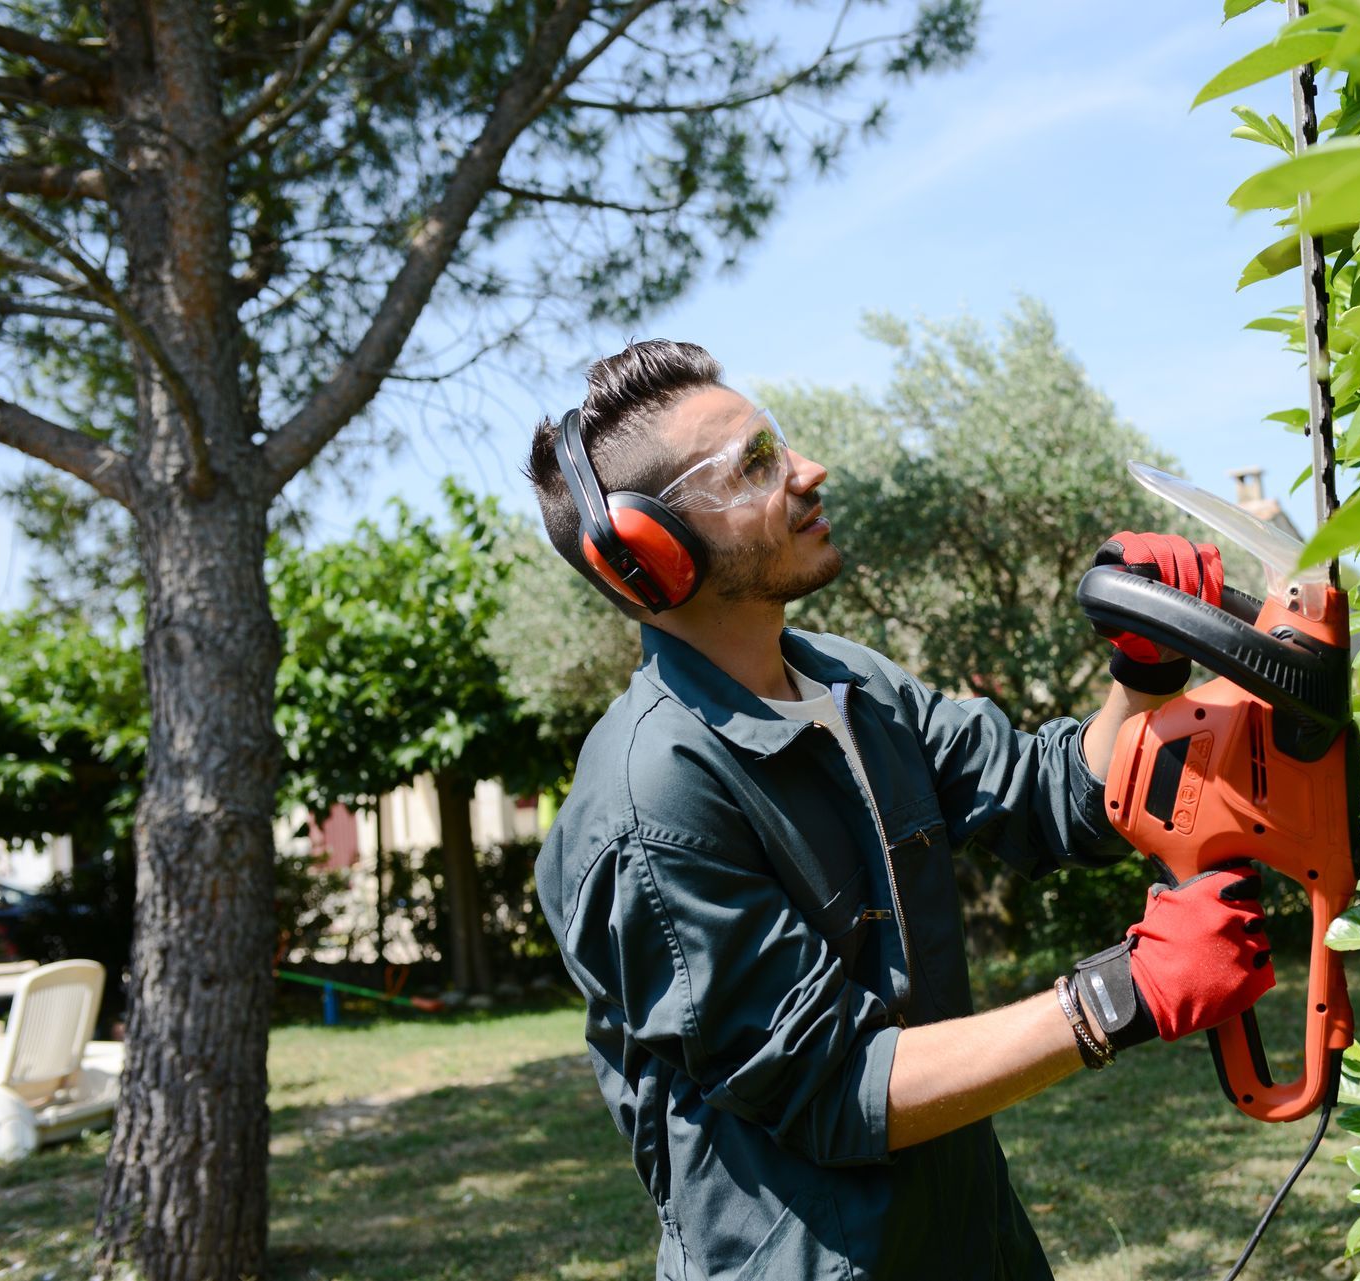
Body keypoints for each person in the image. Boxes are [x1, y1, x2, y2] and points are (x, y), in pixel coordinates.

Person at [526, 339, 1275, 1280]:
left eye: (781, 442)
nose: (807, 470)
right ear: (651, 552)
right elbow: (838, 1085)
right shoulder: (651, 798)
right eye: (755, 463)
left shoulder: (850, 683)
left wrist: (1143, 670)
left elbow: (1053, 796)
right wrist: (1116, 998)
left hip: (973, 1241)